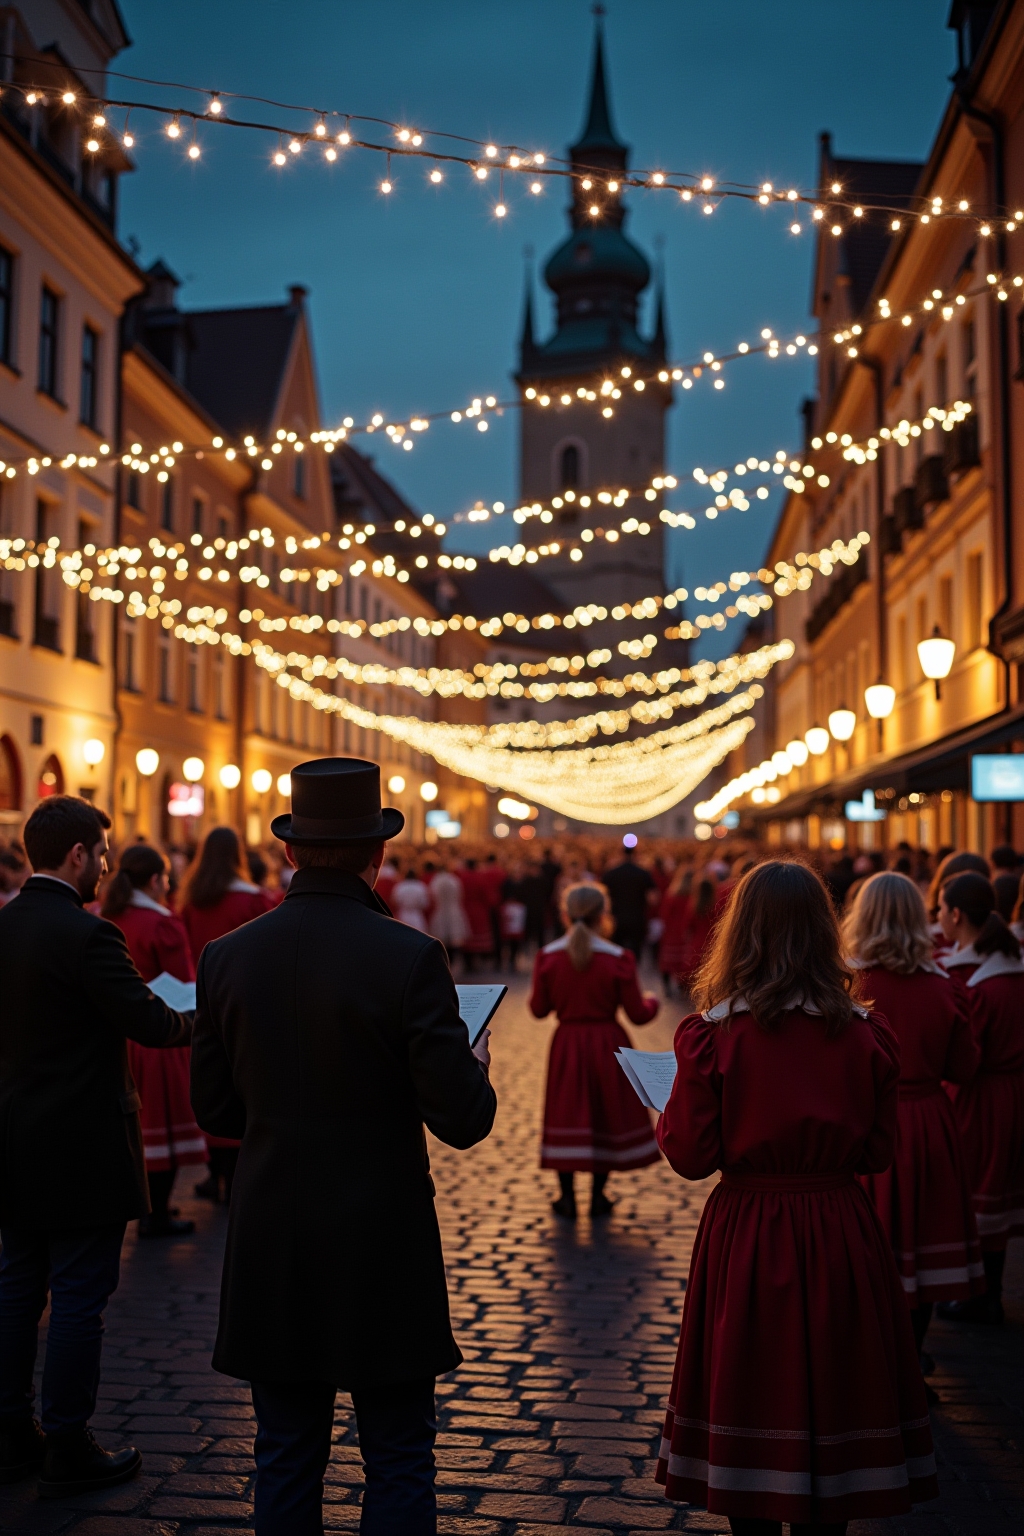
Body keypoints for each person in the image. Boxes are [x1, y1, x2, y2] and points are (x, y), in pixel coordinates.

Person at [190, 759, 496, 1536]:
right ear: (378, 854)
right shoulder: (409, 956)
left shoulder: (226, 955)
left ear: (289, 851)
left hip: (272, 1231)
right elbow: (463, 1120)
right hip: (380, 1235)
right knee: (398, 1454)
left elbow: (214, 1109)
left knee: (285, 1453)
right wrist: (473, 1065)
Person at [655, 860, 937, 1533]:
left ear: (739, 932)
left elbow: (691, 1157)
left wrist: (666, 1113)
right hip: (839, 1227)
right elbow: (877, 1154)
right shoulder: (868, 1034)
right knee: (837, 1390)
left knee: (750, 1384)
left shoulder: (712, 1035)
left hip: (749, 1228)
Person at [0, 797, 191, 1496]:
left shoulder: (5, 924)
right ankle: (68, 1440)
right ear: (78, 853)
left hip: (13, 1135)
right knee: (80, 1295)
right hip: (82, 1142)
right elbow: (150, 1023)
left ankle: (9, 1432)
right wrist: (197, 1017)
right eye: (103, 854)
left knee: (17, 1287)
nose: (106, 867)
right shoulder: (89, 934)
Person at [842, 872, 983, 1363]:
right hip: (927, 1124)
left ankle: (873, 1361)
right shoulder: (944, 985)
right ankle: (914, 1358)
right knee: (924, 1247)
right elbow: (963, 1067)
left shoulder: (846, 984)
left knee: (866, 1247)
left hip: (863, 1122)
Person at [529, 882, 659, 1220]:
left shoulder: (548, 957)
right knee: (606, 1112)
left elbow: (539, 1009)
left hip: (568, 1043)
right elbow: (638, 1014)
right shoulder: (618, 958)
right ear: (603, 915)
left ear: (564, 914)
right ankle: (598, 1196)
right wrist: (653, 1002)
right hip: (607, 1042)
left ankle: (567, 1197)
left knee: (566, 1112)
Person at [101, 844, 206, 1239]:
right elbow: (185, 983)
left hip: (119, 1038)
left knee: (135, 1132)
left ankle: (143, 1209)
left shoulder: (107, 915)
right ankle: (156, 1213)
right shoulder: (162, 924)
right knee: (166, 1130)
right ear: (155, 880)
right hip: (161, 1034)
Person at [937, 871, 1024, 1324]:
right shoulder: (1011, 965)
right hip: (1014, 1092)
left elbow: (966, 1058)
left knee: (976, 1195)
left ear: (955, 914)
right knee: (1001, 1194)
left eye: (940, 907)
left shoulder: (972, 981)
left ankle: (978, 1294)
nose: (937, 916)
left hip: (978, 1097)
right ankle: (989, 1290)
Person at [179, 827, 275, 1204]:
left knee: (212, 1081)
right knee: (243, 1083)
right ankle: (236, 1174)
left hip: (205, 998)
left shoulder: (192, 899)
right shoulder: (255, 900)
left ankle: (214, 1171)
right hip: (247, 1004)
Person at [602, 842, 657, 959]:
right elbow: (653, 899)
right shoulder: (643, 873)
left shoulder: (611, 873)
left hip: (616, 919)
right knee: (635, 954)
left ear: (621, 853)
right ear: (635, 854)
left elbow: (603, 897)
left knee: (616, 953)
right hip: (637, 918)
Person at [428, 862, 469, 962]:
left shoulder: (436, 880)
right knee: (454, 936)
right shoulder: (454, 879)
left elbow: (432, 895)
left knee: (442, 936)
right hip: (453, 909)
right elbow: (460, 894)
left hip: (440, 909)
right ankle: (454, 958)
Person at [392, 865, 431, 931]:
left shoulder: (400, 886)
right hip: (417, 917)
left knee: (403, 933)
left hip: (403, 916)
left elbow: (394, 901)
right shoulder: (421, 886)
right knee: (418, 934)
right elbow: (425, 903)